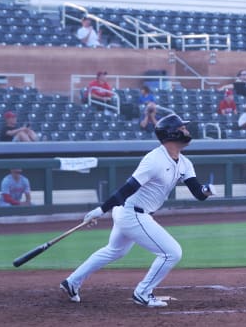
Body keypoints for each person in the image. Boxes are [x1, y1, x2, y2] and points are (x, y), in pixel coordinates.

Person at [59, 114, 216, 307]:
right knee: (172, 253)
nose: (187, 130)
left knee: (114, 251)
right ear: (172, 133)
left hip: (133, 213)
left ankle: (72, 282)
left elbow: (197, 192)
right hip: (132, 213)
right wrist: (101, 210)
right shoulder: (154, 159)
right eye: (183, 128)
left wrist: (206, 191)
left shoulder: (184, 163)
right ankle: (143, 292)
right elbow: (128, 188)